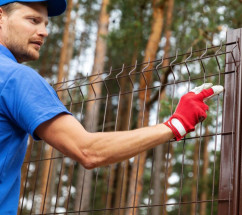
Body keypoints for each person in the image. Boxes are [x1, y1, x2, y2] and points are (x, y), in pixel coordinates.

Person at [0, 0, 224, 213]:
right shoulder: (15, 78)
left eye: (46, 24)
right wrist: (176, 124)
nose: (45, 31)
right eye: (33, 20)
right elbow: (88, 150)